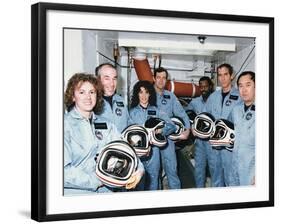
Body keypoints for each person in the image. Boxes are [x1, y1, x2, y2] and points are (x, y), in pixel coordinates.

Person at [64, 73, 143, 195]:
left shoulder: (107, 125)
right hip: (78, 194)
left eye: (92, 92)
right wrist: (99, 179)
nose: (88, 97)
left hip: (107, 192)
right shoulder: (63, 125)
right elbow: (62, 171)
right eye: (82, 92)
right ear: (73, 96)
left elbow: (125, 148)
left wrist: (138, 170)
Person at [129, 80, 176, 191]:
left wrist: (160, 131)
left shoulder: (156, 111)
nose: (144, 96)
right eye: (141, 92)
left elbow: (172, 125)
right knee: (138, 182)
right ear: (137, 94)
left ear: (150, 93)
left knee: (154, 181)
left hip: (154, 153)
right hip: (138, 152)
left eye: (146, 92)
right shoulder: (131, 113)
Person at [153, 67, 190, 189]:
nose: (161, 80)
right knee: (154, 174)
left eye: (164, 78)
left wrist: (187, 129)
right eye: (158, 77)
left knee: (172, 171)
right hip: (152, 139)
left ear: (167, 80)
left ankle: (177, 202)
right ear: (154, 78)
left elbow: (181, 113)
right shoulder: (147, 94)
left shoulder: (171, 96)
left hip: (168, 139)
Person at [205, 63, 241, 187]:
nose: (223, 78)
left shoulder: (240, 97)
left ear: (232, 76)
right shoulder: (212, 97)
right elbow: (206, 118)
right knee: (216, 179)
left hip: (230, 148)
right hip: (214, 147)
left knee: (231, 180)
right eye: (220, 75)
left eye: (225, 74)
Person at [186, 76, 215, 187]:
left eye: (205, 86)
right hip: (199, 142)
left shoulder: (216, 100)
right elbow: (186, 113)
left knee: (215, 170)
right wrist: (191, 124)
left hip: (212, 142)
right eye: (201, 87)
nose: (203, 89)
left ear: (210, 87)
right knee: (199, 170)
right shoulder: (195, 102)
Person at [229, 71, 255, 186]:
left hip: (252, 170)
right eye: (240, 86)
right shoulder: (236, 110)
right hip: (234, 165)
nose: (244, 90)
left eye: (248, 85)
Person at [95, 63, 132, 133]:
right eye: (107, 78)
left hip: (121, 143)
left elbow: (128, 122)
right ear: (98, 80)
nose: (112, 84)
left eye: (114, 78)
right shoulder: (91, 103)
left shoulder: (120, 100)